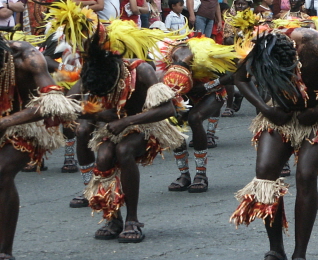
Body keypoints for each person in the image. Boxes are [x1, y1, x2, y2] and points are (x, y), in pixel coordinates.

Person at [231, 30, 318, 260]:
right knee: (265, 173)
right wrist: (265, 109)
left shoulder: (315, 43)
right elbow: (239, 78)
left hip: (317, 116)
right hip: (279, 115)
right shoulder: (261, 48)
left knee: (306, 175)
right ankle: (276, 249)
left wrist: (317, 111)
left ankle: (300, 254)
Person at [78, 30, 182, 243]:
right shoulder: (91, 72)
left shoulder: (141, 70)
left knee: (124, 151)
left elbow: (168, 110)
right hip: (112, 127)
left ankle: (132, 220)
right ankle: (113, 218)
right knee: (104, 157)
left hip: (146, 123)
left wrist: (126, 121)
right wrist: (98, 114)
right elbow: (69, 104)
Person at [0, 40, 80, 259]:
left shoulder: (27, 57)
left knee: (2, 172)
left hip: (28, 125)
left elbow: (52, 103)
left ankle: (4, 252)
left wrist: (6, 122)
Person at [163, 39, 237, 193]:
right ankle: (184, 175)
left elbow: (232, 74)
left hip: (211, 91)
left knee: (194, 119)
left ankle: (201, 175)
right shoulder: (167, 59)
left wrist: (205, 86)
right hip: (184, 92)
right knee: (174, 122)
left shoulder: (204, 56)